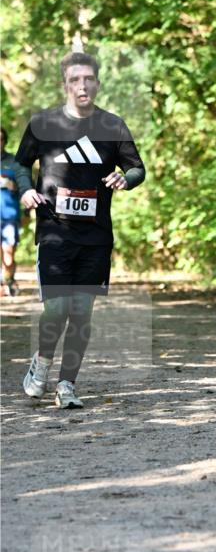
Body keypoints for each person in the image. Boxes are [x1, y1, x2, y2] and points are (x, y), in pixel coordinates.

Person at [13, 52, 146, 409]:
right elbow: (21, 162)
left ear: (98, 83)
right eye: (75, 80)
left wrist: (125, 177)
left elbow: (137, 168)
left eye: (88, 79)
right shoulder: (43, 123)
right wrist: (25, 188)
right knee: (56, 308)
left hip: (96, 236)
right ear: (65, 84)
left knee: (81, 312)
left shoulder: (112, 126)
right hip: (54, 232)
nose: (82, 85)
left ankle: (67, 384)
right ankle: (40, 367)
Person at [1, 127, 22, 296]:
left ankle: (8, 280)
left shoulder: (14, 162)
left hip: (9, 215)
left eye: (0, 138)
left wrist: (12, 185)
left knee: (9, 252)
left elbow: (26, 187)